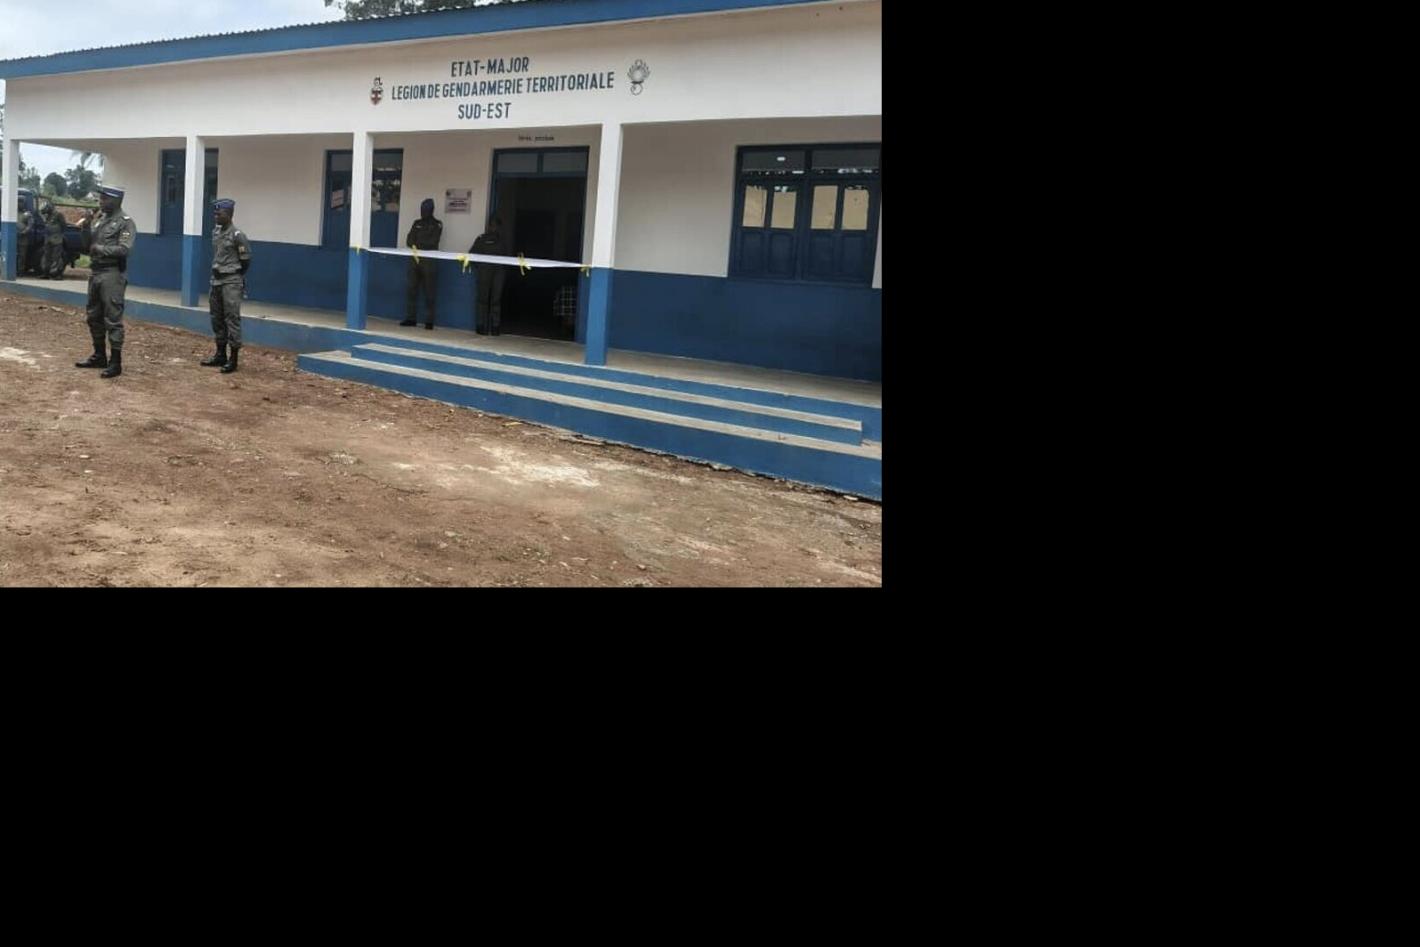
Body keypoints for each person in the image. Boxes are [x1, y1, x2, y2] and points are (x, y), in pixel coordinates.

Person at [74, 186, 137, 379]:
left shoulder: (125, 222)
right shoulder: (100, 220)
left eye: (104, 199)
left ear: (116, 200)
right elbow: (87, 246)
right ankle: (99, 355)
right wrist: (86, 226)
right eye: (100, 199)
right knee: (93, 316)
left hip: (112, 274)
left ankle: (115, 362)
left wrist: (100, 249)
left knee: (112, 318)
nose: (100, 202)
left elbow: (125, 249)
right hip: (95, 273)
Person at [200, 198, 253, 374]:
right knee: (216, 317)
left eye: (219, 213)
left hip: (231, 281)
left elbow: (246, 260)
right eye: (215, 213)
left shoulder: (237, 235)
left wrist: (233, 274)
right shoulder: (216, 232)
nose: (216, 216)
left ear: (229, 214)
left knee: (232, 318)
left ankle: (233, 358)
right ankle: (220, 354)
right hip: (215, 281)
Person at [401, 197, 442, 330]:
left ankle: (429, 321)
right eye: (421, 209)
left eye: (425, 210)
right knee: (411, 289)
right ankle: (411, 318)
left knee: (429, 291)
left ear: (431, 210)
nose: (422, 212)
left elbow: (433, 242)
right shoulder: (416, 223)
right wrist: (419, 243)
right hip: (415, 260)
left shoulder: (437, 224)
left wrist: (417, 243)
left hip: (429, 261)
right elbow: (409, 240)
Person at [469, 214, 508, 335]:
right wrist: (481, 267)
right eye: (492, 225)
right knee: (482, 299)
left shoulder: (502, 241)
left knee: (496, 299)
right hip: (484, 272)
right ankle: (481, 325)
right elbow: (471, 255)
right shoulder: (481, 239)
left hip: (498, 273)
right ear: (489, 226)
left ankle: (495, 326)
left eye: (497, 225)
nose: (494, 228)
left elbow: (507, 258)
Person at [43, 203, 66, 279]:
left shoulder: (58, 214)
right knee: (47, 256)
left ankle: (58, 274)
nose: (46, 211)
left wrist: (59, 234)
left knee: (56, 257)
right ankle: (46, 273)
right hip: (48, 239)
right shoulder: (47, 216)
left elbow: (63, 225)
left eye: (47, 209)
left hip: (57, 238)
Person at [17, 206, 31, 276]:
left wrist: (24, 231)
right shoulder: (13, 212)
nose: (20, 204)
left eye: (21, 202)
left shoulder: (27, 214)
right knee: (14, 255)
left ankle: (20, 271)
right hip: (13, 238)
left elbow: (30, 225)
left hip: (23, 239)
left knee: (22, 256)